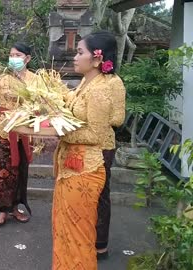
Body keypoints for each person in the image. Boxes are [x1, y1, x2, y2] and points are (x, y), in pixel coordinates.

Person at [51, 31, 118, 269]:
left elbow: (96, 134)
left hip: (85, 169)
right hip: (71, 164)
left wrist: (59, 130)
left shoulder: (101, 89)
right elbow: (74, 108)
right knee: (65, 229)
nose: (75, 57)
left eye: (80, 52)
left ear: (97, 59)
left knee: (78, 233)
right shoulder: (86, 82)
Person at [0, 42, 37, 226]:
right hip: (1, 131)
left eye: (18, 55)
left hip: (24, 133)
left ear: (27, 58)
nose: (13, 58)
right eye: (11, 55)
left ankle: (15, 208)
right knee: (2, 173)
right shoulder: (1, 79)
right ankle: (3, 209)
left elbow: (42, 104)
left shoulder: (35, 80)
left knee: (20, 172)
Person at [96, 50, 126, 260]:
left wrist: (97, 114)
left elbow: (118, 118)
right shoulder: (90, 80)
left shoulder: (114, 82)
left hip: (103, 145)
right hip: (85, 145)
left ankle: (101, 244)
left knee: (100, 194)